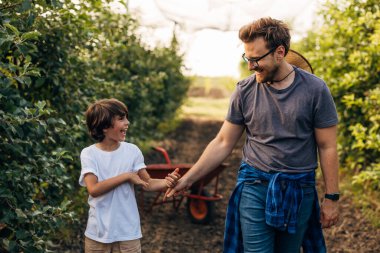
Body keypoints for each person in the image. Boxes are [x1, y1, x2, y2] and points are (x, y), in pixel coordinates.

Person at [166, 17, 339, 253]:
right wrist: (188, 179)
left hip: (298, 189)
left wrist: (331, 198)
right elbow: (223, 141)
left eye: (256, 59)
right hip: (254, 184)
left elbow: (327, 145)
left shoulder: (315, 90)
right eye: (247, 58)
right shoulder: (244, 90)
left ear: (280, 52)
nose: (251, 66)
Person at [79, 98, 180, 253]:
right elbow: (93, 189)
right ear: (105, 126)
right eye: (121, 119)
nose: (127, 122)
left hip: (127, 232)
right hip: (98, 232)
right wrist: (126, 176)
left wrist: (167, 182)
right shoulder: (89, 154)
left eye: (126, 117)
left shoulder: (132, 151)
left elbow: (148, 183)